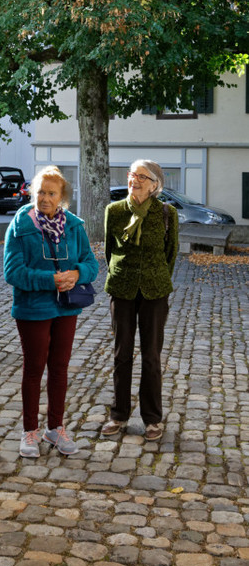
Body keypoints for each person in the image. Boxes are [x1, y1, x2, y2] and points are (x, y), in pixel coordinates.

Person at [3, 166, 99, 457]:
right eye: (40, 192)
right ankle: (29, 431)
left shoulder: (73, 225)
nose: (45, 198)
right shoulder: (20, 225)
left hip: (66, 307)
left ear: (62, 198)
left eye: (51, 193)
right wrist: (50, 280)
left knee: (59, 368)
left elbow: (92, 264)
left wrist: (77, 273)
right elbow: (13, 272)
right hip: (33, 308)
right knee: (34, 369)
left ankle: (55, 428)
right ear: (33, 193)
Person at [102, 159, 178, 441]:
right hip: (122, 289)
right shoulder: (115, 211)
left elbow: (171, 253)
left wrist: (155, 278)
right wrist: (123, 274)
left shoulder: (167, 214)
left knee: (151, 356)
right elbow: (110, 251)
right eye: (133, 174)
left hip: (155, 291)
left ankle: (152, 419)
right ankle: (119, 415)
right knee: (121, 354)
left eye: (142, 176)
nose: (135, 180)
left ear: (155, 184)